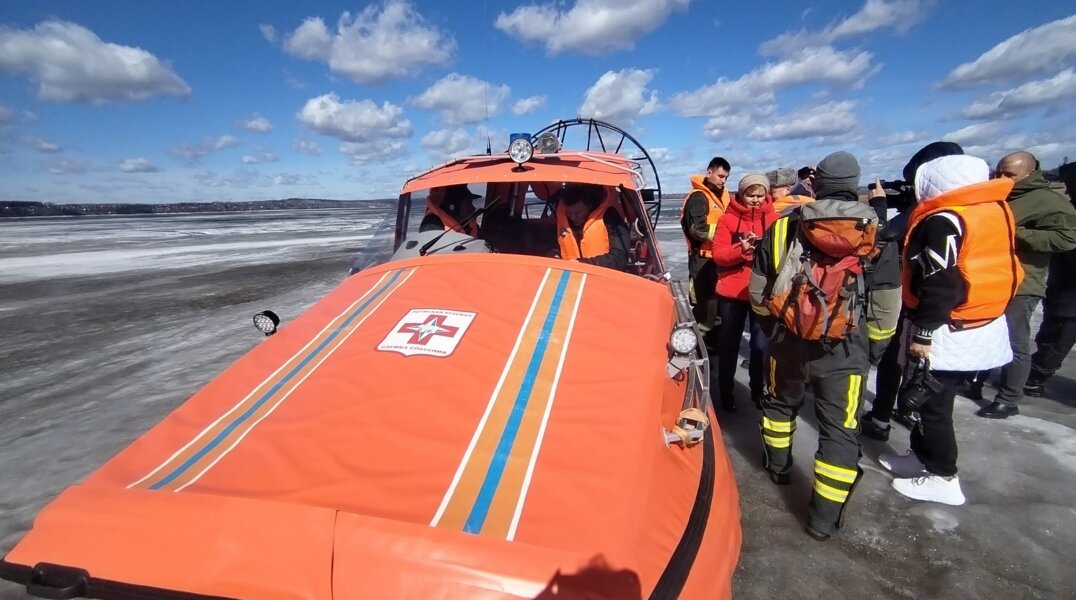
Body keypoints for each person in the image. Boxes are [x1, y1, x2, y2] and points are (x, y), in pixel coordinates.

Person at [749, 151, 899, 540]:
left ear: (817, 183)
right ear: (854, 184)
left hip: (787, 340)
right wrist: (873, 350)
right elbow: (886, 306)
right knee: (840, 431)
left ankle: (779, 469)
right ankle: (822, 521)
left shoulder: (785, 226)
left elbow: (758, 288)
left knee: (780, 406)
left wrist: (773, 325)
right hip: (846, 349)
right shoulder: (878, 232)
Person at [878, 154, 1022, 506]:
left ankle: (943, 474)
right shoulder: (991, 210)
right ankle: (921, 456)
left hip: (947, 326)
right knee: (931, 399)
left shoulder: (944, 220)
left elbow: (941, 281)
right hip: (978, 319)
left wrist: (924, 331)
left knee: (933, 404)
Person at [861, 141, 965, 442]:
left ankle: (893, 421)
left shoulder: (937, 215)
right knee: (913, 370)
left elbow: (885, 233)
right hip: (942, 307)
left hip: (924, 306)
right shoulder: (967, 208)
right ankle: (897, 419)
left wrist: (881, 205)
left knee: (909, 367)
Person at [978, 151, 1076, 419]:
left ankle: (1008, 398)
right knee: (986, 335)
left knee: (1014, 341)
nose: (1001, 177)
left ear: (1030, 174)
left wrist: (1015, 234)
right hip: (991, 278)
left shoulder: (1047, 202)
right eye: (999, 172)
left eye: (1009, 174)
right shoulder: (1001, 193)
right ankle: (976, 380)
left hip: (1022, 282)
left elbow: (1067, 238)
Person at [712, 173, 776, 412]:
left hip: (762, 292)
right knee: (729, 345)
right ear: (741, 194)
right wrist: (742, 249)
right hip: (732, 293)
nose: (756, 200)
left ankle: (758, 391)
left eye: (761, 195)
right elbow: (719, 255)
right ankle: (726, 393)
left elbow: (782, 256)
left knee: (761, 346)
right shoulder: (727, 220)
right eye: (751, 195)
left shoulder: (774, 219)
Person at [1026, 161, 1076, 396]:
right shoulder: (1066, 210)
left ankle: (1037, 376)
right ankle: (1037, 375)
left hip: (1069, 292)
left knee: (1057, 336)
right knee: (1054, 335)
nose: (1065, 190)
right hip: (1064, 287)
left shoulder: (1066, 213)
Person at [681, 157, 732, 349]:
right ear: (709, 172)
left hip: (718, 259)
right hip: (702, 262)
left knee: (717, 306)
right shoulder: (699, 197)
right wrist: (724, 234)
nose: (723, 181)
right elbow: (697, 230)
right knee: (706, 307)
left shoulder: (723, 195)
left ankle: (713, 346)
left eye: (726, 177)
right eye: (720, 176)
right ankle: (695, 346)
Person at [556, 183, 630, 270]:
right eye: (569, 212)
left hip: (601, 277)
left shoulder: (610, 216)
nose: (572, 217)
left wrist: (583, 263)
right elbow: (553, 247)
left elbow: (620, 258)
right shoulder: (562, 217)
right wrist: (553, 256)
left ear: (590, 207)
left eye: (577, 213)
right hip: (567, 277)